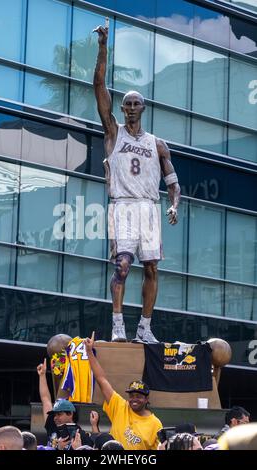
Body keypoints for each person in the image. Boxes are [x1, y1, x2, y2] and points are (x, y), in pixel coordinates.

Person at [93, 22, 180, 343]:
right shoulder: (113, 132)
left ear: (142, 108)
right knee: (123, 266)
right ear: (122, 108)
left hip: (149, 209)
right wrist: (103, 47)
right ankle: (118, 326)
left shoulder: (157, 144)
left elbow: (173, 183)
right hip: (123, 207)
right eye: (126, 103)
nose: (130, 107)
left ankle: (144, 327)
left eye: (135, 103)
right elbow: (99, 85)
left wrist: (173, 205)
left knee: (152, 268)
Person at [84, 332, 163, 450]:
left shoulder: (155, 424)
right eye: (131, 395)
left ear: (147, 399)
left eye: (139, 396)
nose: (134, 399)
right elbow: (101, 380)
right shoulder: (120, 406)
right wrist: (89, 351)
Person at [37, 358, 96, 450]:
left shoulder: (81, 435)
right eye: (54, 415)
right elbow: (46, 399)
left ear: (70, 414)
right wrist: (42, 375)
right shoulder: (52, 426)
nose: (55, 418)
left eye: (59, 414)